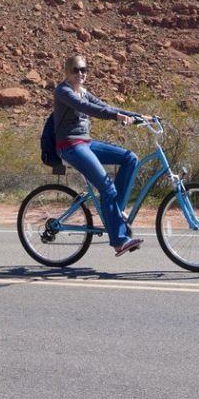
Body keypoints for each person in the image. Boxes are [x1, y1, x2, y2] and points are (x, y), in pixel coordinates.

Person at [54, 54, 146, 256]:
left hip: (85, 143)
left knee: (130, 158)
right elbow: (88, 109)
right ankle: (119, 241)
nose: (80, 74)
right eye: (76, 70)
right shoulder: (63, 91)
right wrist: (115, 116)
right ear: (67, 73)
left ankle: (115, 213)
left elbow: (106, 106)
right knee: (106, 186)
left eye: (84, 70)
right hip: (69, 145)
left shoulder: (84, 92)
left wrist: (139, 117)